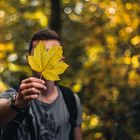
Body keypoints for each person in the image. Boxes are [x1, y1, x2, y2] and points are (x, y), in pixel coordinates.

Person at [0, 29, 82, 140]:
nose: (46, 57)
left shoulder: (71, 99)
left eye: (51, 53)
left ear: (61, 61)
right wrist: (16, 103)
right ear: (29, 59)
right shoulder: (17, 95)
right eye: (41, 52)